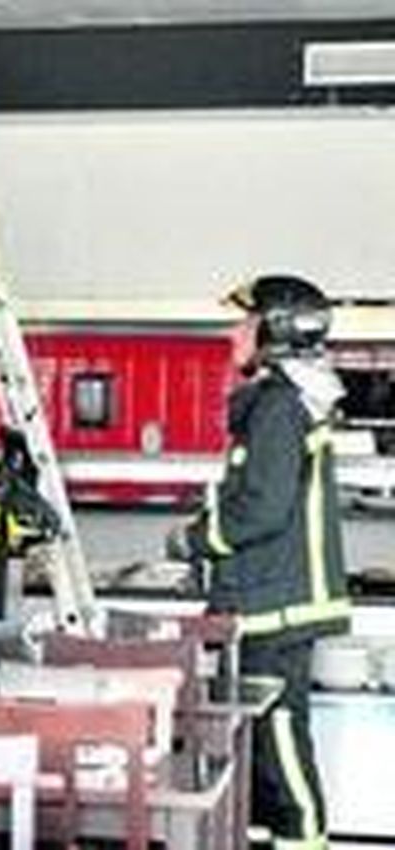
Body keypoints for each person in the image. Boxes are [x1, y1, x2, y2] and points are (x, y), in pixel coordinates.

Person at [165, 274, 348, 850]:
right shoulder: (285, 401)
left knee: (280, 744)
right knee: (266, 754)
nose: (232, 332)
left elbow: (263, 509)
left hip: (276, 610)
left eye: (244, 321)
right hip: (271, 605)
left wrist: (196, 539)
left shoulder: (277, 406)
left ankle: (304, 843)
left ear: (273, 331)